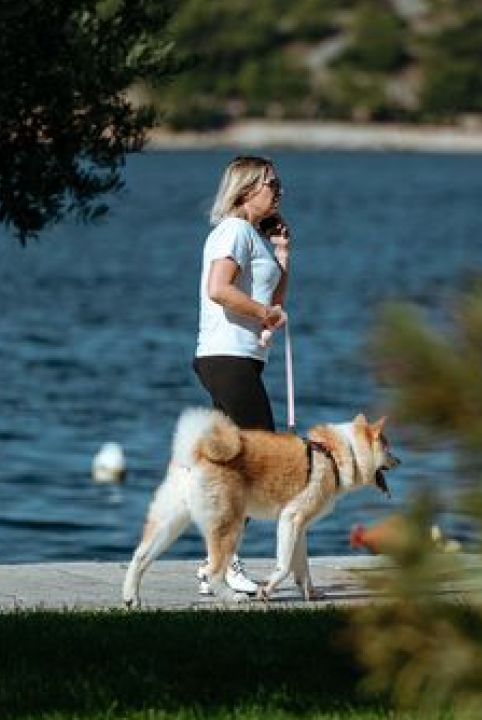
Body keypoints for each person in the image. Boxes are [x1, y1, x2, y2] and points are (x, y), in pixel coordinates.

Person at [191, 155, 291, 595]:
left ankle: (215, 562)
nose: (279, 192)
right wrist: (263, 314)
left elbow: (274, 298)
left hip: (241, 360)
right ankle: (225, 561)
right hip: (226, 357)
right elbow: (219, 289)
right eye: (272, 184)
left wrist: (282, 254)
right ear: (247, 188)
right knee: (258, 458)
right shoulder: (232, 230)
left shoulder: (253, 236)